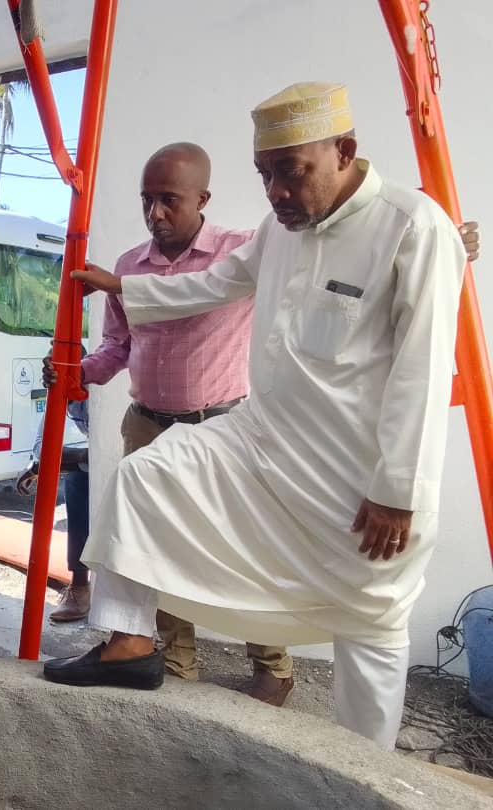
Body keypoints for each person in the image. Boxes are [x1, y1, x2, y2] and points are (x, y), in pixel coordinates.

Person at [43, 81, 471, 749]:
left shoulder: (412, 229)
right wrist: (121, 285)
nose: (274, 192)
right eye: (264, 175)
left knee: (370, 628)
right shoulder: (279, 230)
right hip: (260, 440)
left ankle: (367, 773)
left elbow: (421, 374)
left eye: (289, 172)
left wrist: (396, 493)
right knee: (139, 479)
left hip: (356, 480)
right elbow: (209, 285)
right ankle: (131, 644)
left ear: (344, 152)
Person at [44, 142, 295, 705]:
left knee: (242, 543)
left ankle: (272, 663)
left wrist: (440, 238)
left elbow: (323, 250)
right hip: (147, 425)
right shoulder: (130, 265)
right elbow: (117, 346)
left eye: (169, 200)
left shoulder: (241, 253)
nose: (155, 213)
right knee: (156, 544)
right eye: (146, 200)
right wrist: (77, 372)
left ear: (202, 198)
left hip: (222, 426)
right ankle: (175, 656)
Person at [18, 349, 91, 622]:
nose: (47, 372)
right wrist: (38, 466)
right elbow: (42, 447)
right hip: (95, 463)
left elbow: (103, 453)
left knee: (79, 478)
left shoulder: (102, 392)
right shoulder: (61, 392)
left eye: (53, 367)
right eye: (46, 366)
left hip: (126, 463)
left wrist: (71, 458)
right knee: (77, 481)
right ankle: (80, 586)